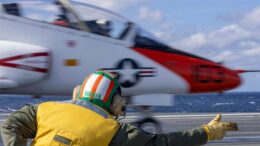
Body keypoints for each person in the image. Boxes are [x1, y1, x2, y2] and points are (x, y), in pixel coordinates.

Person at [1, 71, 238, 146]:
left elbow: (10, 124)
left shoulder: (45, 109)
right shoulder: (112, 130)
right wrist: (207, 132)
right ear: (113, 103)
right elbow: (163, 143)